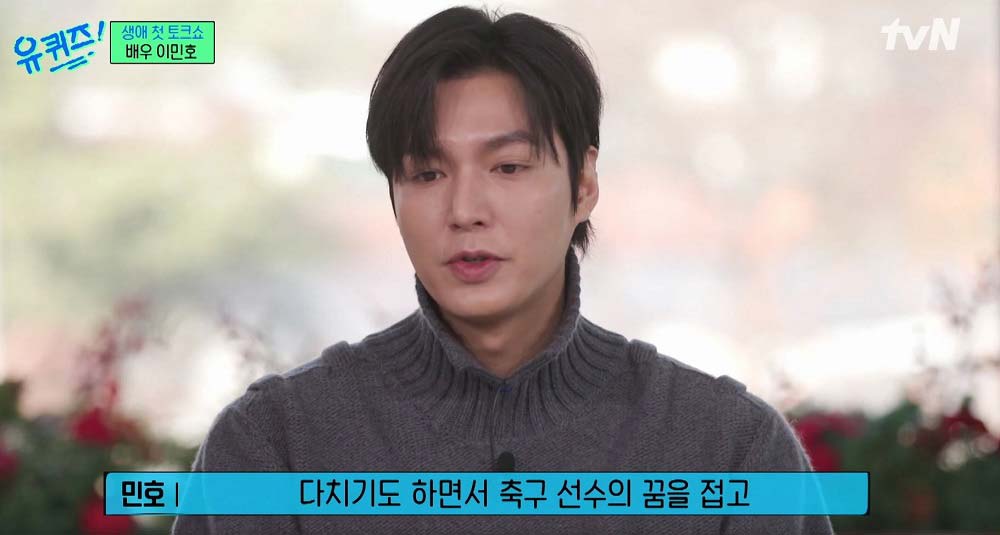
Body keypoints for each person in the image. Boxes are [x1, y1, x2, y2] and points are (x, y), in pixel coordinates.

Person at [173, 6, 835, 534]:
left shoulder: (730, 450)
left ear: (584, 184)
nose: (465, 210)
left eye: (509, 167)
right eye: (427, 173)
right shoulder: (272, 448)